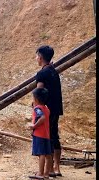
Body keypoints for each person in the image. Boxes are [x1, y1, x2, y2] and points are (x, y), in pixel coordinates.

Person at [35, 45, 63, 177]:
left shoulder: (42, 73)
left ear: (40, 57)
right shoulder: (53, 70)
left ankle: (48, 170)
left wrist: (36, 109)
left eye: (36, 56)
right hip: (56, 108)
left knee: (46, 137)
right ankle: (56, 168)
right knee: (54, 136)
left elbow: (39, 92)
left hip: (46, 109)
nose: (36, 58)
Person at [28, 88, 51, 179]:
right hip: (46, 135)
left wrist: (33, 126)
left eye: (33, 98)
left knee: (41, 154)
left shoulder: (37, 109)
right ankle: (46, 173)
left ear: (36, 99)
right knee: (48, 154)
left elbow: (42, 118)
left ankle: (40, 173)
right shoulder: (47, 108)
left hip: (39, 134)